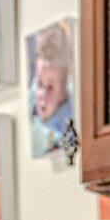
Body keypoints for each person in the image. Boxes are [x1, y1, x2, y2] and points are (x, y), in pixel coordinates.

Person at [30, 22, 74, 153]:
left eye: (50, 87)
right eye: (39, 84)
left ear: (64, 89)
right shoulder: (32, 98)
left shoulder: (66, 128)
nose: (42, 94)